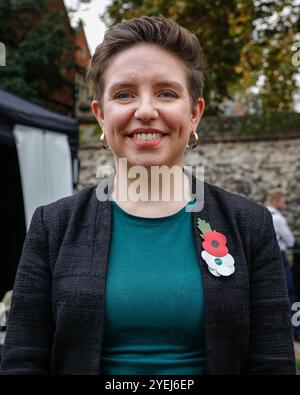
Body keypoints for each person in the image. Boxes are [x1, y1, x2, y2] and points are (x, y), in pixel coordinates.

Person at [0, 15, 295, 375]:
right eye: (124, 94)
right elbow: (23, 362)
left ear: (195, 114)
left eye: (166, 93)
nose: (145, 110)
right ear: (101, 116)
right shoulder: (53, 225)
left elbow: (272, 365)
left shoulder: (250, 225)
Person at [266, 192, 299, 341]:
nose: (284, 204)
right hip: (279, 256)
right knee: (290, 293)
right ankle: (295, 330)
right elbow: (290, 240)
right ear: (277, 201)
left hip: (265, 257)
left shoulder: (261, 214)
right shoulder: (278, 218)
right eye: (283, 202)